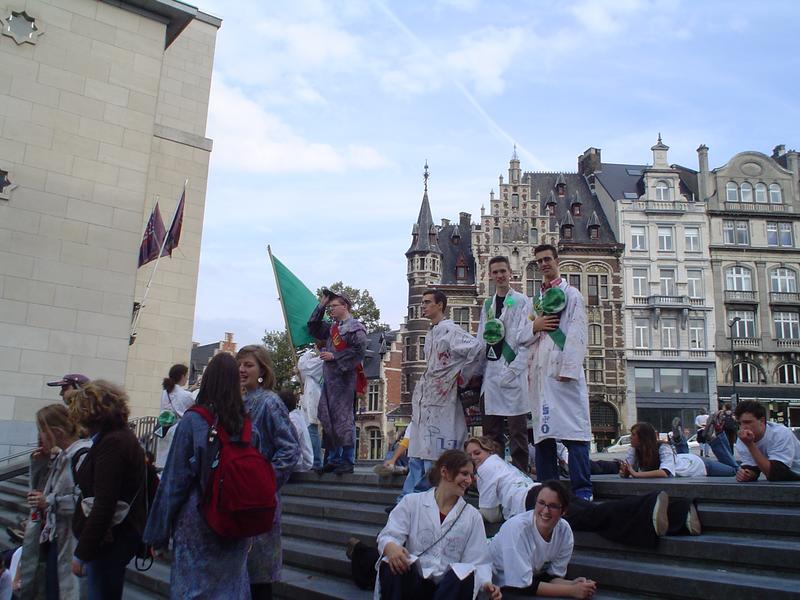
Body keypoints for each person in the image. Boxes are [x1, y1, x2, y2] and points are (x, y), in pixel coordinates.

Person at [145, 352, 273, 597]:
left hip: (198, 519)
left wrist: (157, 534)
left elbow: (173, 482)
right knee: (231, 588)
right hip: (234, 518)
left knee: (193, 589)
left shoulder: (193, 421)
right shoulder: (247, 425)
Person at [465, 436, 692, 549]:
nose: (474, 458)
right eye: (470, 455)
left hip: (533, 502)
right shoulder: (502, 464)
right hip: (543, 490)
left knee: (593, 517)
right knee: (593, 514)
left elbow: (491, 514)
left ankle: (651, 505)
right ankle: (679, 514)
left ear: (488, 451)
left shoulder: (485, 469)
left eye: (477, 452)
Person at [375, 449, 501, 600]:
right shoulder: (412, 502)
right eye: (464, 474)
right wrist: (391, 546)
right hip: (414, 582)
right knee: (392, 564)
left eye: (471, 475)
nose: (468, 481)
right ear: (445, 472)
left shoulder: (472, 516)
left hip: (448, 590)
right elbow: (389, 534)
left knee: (463, 572)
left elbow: (478, 560)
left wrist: (486, 584)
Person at [67, 380, 147, 600]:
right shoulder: (118, 438)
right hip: (111, 538)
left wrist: (82, 553)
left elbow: (104, 503)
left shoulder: (113, 443)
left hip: (109, 540)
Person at [528, 244, 592, 500]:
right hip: (541, 373)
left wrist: (570, 368)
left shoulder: (572, 294)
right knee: (543, 435)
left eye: (547, 259)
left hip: (562, 371)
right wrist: (535, 326)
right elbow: (523, 335)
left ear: (556, 260)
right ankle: (548, 489)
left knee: (574, 431)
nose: (543, 264)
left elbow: (577, 331)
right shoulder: (536, 301)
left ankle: (582, 490)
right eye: (539, 261)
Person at [237, 345, 301, 600]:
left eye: (248, 365)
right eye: (239, 364)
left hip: (259, 501)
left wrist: (264, 482)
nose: (242, 369)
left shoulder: (270, 402)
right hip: (235, 499)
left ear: (262, 370)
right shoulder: (235, 402)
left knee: (258, 577)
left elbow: (290, 448)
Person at [405, 290, 483, 499]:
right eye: (422, 302)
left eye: (427, 302)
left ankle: (426, 496)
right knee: (419, 449)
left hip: (443, 397)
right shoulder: (432, 332)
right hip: (428, 396)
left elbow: (476, 348)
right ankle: (410, 498)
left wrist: (461, 376)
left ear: (440, 305)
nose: (423, 306)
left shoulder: (451, 330)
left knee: (434, 449)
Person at [19, 405, 92, 600]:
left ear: (57, 432)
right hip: (55, 538)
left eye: (42, 430)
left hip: (71, 541)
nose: (39, 436)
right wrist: (39, 464)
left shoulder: (81, 455)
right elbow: (39, 491)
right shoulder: (61, 455)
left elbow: (86, 502)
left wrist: (49, 502)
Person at [489, 480, 597, 598]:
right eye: (541, 503)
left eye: (553, 506)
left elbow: (551, 577)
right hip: (496, 585)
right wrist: (571, 590)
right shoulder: (516, 529)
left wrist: (574, 584)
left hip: (529, 582)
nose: (545, 511)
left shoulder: (564, 531)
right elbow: (521, 585)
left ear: (564, 510)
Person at [477, 256, 533, 472]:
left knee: (518, 432)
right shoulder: (487, 305)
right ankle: (496, 474)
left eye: (503, 271)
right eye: (495, 272)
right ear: (490, 275)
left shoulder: (522, 301)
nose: (499, 275)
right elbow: (481, 340)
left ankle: (520, 476)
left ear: (510, 273)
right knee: (491, 434)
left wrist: (515, 369)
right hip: (491, 375)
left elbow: (527, 338)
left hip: (513, 373)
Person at [308, 289, 367, 475]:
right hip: (330, 380)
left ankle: (347, 460)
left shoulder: (356, 328)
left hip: (344, 380)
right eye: (330, 306)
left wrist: (335, 356)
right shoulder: (331, 328)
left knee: (344, 420)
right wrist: (321, 305)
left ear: (345, 306)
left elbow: (359, 351)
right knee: (328, 418)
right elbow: (312, 327)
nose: (331, 309)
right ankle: (333, 459)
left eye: (334, 305)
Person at [619, 422, 737, 481]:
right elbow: (629, 469)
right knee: (681, 454)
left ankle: (716, 438)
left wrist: (636, 474)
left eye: (633, 435)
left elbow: (665, 473)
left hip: (698, 465)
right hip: (682, 460)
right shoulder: (634, 450)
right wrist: (625, 472)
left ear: (643, 437)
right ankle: (678, 438)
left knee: (734, 470)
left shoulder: (663, 447)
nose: (630, 437)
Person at [715, 400, 800, 482]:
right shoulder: (743, 440)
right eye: (739, 423)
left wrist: (750, 445)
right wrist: (747, 474)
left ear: (762, 421)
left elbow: (775, 473)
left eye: (747, 422)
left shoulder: (780, 434)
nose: (743, 427)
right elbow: (753, 468)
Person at [156, 363, 195, 469]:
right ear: (182, 376)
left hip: (164, 428)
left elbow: (177, 397)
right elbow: (192, 402)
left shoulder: (165, 392)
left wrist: (190, 389)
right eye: (186, 376)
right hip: (177, 430)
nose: (187, 378)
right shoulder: (187, 395)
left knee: (163, 461)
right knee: (174, 461)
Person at [297, 345, 324, 471]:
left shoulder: (320, 361)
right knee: (311, 430)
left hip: (315, 399)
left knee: (312, 430)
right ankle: (316, 460)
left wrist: (309, 352)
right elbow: (303, 373)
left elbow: (303, 365)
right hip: (311, 399)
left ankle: (316, 461)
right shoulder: (317, 363)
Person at [279, 389, 314, 472]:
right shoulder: (295, 416)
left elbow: (288, 440)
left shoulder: (293, 419)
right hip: (301, 458)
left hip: (303, 461)